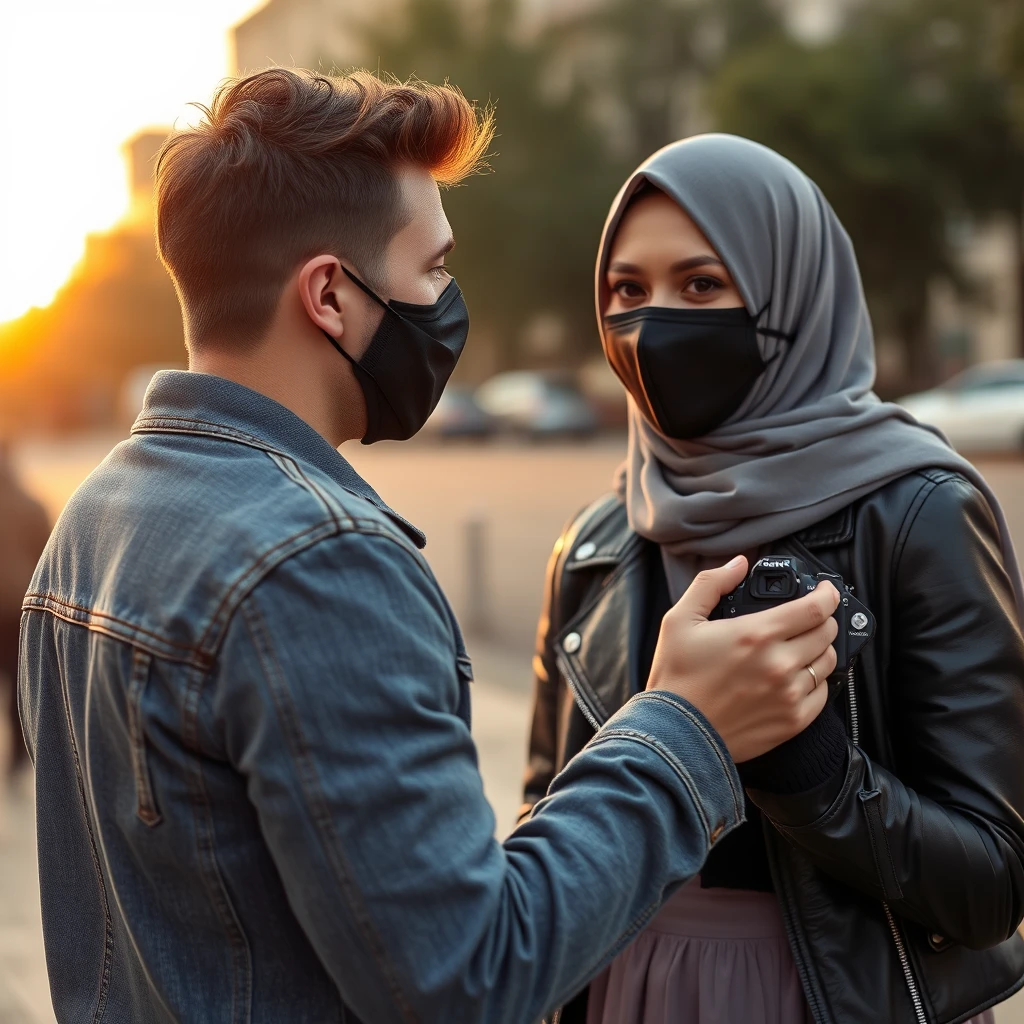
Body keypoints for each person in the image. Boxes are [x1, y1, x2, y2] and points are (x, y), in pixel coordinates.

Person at [18, 72, 841, 1024]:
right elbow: (467, 978)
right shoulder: (318, 563)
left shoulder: (93, 518)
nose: (450, 300)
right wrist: (685, 727)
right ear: (330, 294)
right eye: (435, 268)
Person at [520, 134, 1024, 1024]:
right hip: (618, 990)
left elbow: (993, 883)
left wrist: (810, 772)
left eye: (702, 286)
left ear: (795, 293)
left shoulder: (919, 514)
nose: (654, 322)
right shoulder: (600, 541)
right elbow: (540, 818)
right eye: (627, 291)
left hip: (837, 999)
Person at [0, 441, 49, 781]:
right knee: (18, 686)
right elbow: (46, 566)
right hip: (17, 611)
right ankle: (17, 758)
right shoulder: (31, 505)